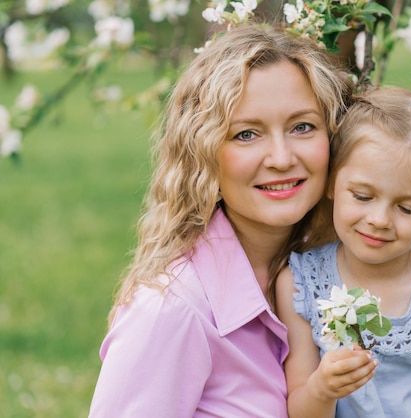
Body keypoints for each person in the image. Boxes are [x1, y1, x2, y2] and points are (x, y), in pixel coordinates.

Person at [88, 24, 354, 417]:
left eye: (302, 127)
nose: (281, 158)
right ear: (203, 154)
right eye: (247, 134)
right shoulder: (174, 311)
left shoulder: (333, 278)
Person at [276, 86, 411, 418]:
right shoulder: (300, 282)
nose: (379, 220)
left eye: (406, 208)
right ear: (333, 182)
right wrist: (322, 388)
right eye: (363, 196)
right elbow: (299, 410)